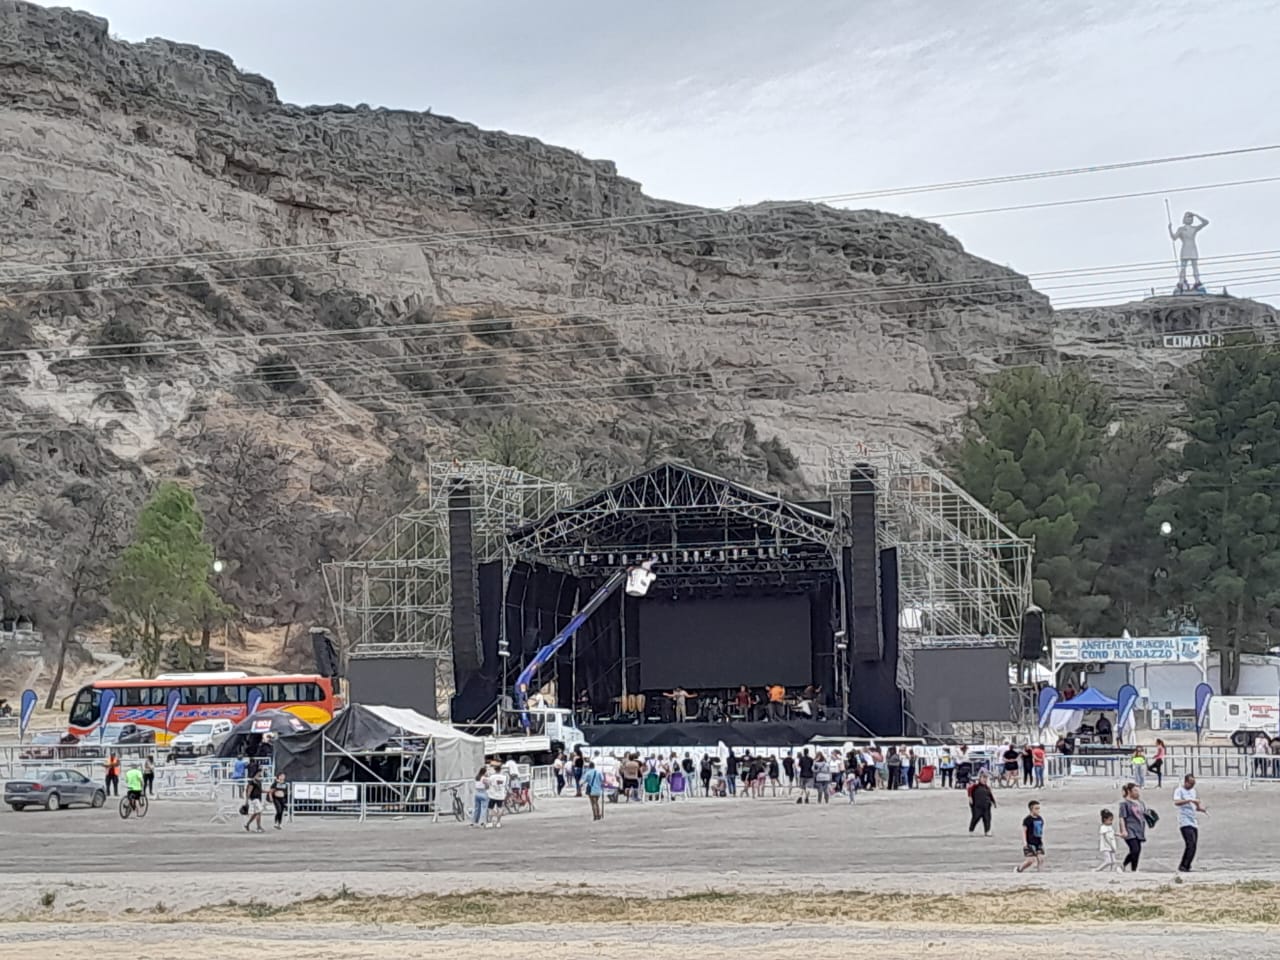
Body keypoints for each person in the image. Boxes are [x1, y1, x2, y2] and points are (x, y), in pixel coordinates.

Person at [1173, 774, 1206, 872]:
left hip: (1193, 820)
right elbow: (1176, 802)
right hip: (1184, 820)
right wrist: (1189, 800)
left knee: (1194, 844)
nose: (1192, 786)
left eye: (1193, 784)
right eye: (1191, 783)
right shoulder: (1179, 790)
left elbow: (1195, 806)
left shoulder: (1193, 791)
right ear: (1186, 782)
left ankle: (1187, 865)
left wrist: (1200, 808)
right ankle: (1183, 865)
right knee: (1190, 843)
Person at [1170, 211, 1209, 289]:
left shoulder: (1194, 228)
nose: (1190, 219)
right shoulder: (1181, 229)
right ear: (1184, 219)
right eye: (1188, 217)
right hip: (1185, 249)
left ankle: (1197, 281)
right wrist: (1170, 229)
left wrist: (1196, 215)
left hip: (1193, 248)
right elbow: (1174, 238)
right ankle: (1181, 282)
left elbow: (1206, 222)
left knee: (1195, 266)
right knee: (1183, 267)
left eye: (1191, 218)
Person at [1117, 782, 1147, 871]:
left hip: (1139, 830)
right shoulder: (1124, 804)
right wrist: (1123, 830)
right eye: (1135, 790)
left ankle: (1134, 869)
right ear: (1129, 791)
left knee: (1137, 851)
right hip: (1130, 829)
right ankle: (1123, 865)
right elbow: (1122, 817)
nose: (1137, 792)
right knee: (1135, 849)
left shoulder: (1140, 803)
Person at [1016, 800, 1045, 873]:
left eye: (1039, 808)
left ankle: (1040, 873)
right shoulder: (1027, 820)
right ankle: (1019, 869)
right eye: (1036, 808)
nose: (1038, 810)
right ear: (1031, 809)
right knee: (1030, 860)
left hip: (1038, 842)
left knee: (1040, 859)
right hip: (1030, 842)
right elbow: (1024, 831)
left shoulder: (1040, 819)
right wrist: (1025, 842)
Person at [485, 762, 508, 828]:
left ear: (495, 769)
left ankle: (490, 822)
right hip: (501, 795)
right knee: (500, 808)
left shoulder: (492, 777)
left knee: (490, 808)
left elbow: (488, 784)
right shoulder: (504, 777)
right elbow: (505, 785)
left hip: (492, 795)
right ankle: (498, 822)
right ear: (500, 769)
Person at [244, 767, 264, 833]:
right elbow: (249, 791)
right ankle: (258, 827)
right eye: (260, 772)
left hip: (258, 798)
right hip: (254, 798)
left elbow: (260, 791)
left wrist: (268, 791)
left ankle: (247, 824)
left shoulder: (258, 781)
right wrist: (247, 800)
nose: (261, 773)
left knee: (257, 813)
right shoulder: (253, 782)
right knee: (259, 811)